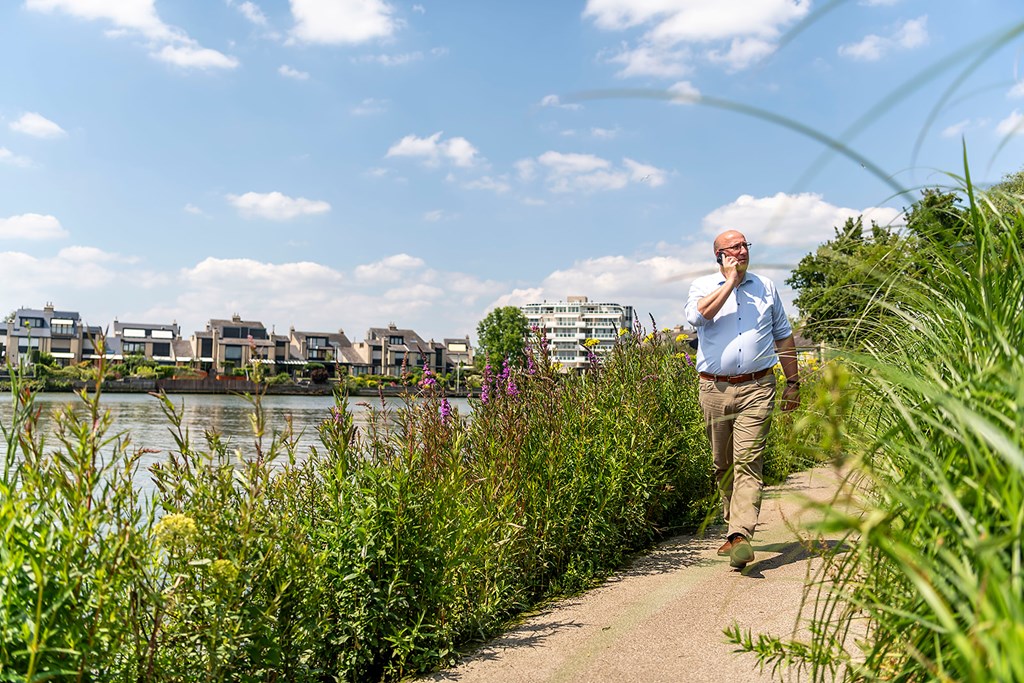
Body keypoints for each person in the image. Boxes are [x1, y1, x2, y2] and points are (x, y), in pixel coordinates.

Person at [684, 230, 800, 569]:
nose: (742, 250)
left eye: (745, 245)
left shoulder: (766, 287)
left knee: (748, 460)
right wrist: (730, 283)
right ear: (718, 255)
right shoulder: (702, 287)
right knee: (722, 464)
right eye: (734, 247)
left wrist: (793, 382)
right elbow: (699, 316)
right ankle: (733, 526)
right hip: (714, 389)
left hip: (758, 386)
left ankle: (739, 536)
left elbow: (783, 335)